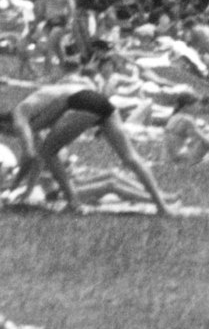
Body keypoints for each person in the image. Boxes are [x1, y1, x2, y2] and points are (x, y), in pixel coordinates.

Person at [6, 52, 174, 215]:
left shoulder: (20, 117)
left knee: (49, 153)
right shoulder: (34, 112)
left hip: (81, 101)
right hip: (98, 99)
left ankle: (74, 203)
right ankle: (162, 207)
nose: (13, 135)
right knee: (130, 157)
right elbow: (36, 156)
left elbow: (30, 155)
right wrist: (27, 190)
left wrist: (13, 186)